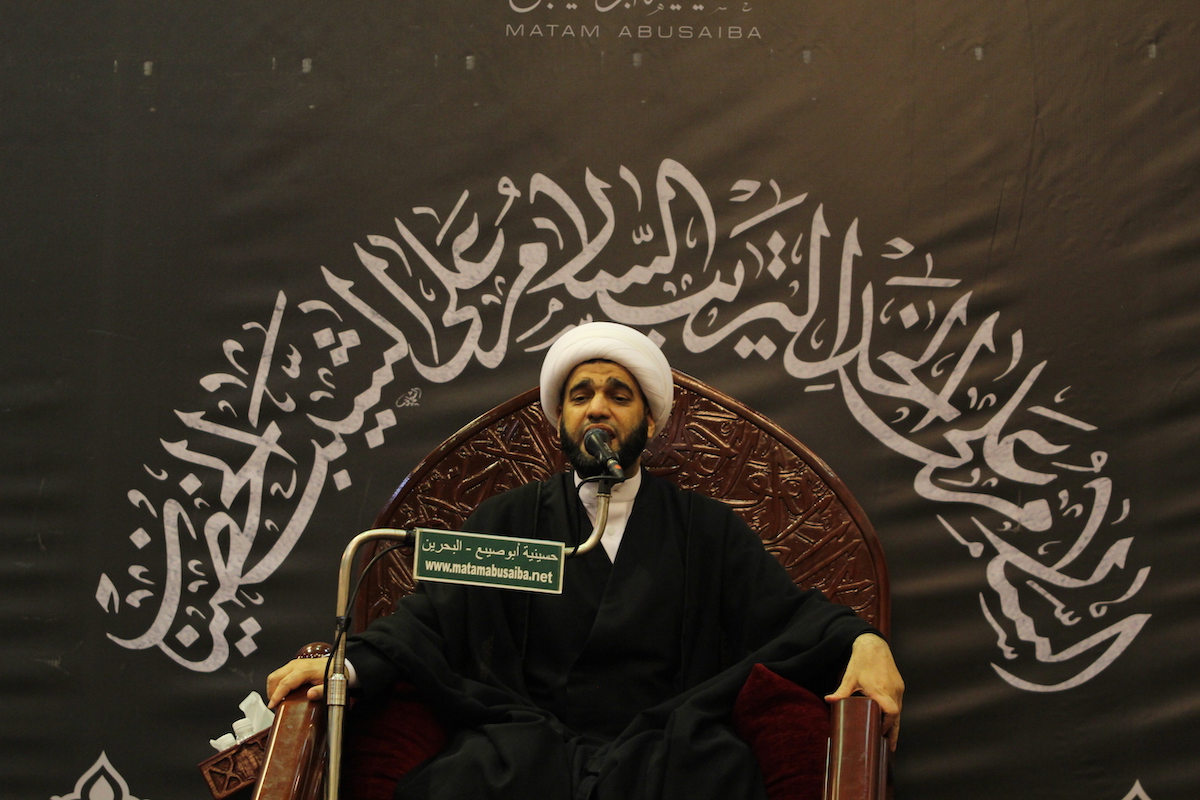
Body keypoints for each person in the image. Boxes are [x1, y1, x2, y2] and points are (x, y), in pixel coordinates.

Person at [268, 321, 903, 799]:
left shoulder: (706, 529)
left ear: (649, 421)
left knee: (721, 773)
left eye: (618, 394)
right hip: (528, 744)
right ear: (561, 421)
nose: (598, 406)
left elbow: (789, 617)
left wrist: (864, 642)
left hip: (665, 745)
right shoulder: (508, 521)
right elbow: (430, 620)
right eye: (581, 395)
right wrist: (347, 666)